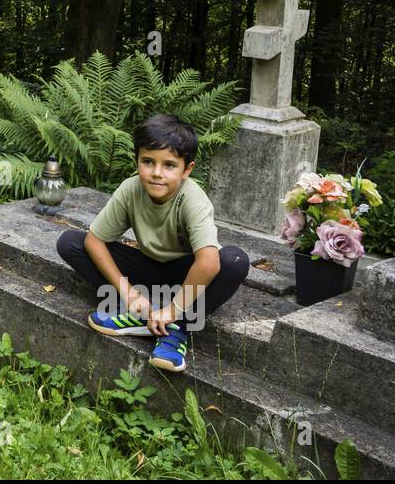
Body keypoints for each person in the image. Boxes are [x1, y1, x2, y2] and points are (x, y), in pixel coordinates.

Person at [54, 114, 249, 373]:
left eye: (169, 165)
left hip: (187, 279)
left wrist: (174, 309)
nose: (157, 173)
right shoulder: (131, 189)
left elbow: (208, 262)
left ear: (186, 170)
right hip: (146, 271)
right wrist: (129, 294)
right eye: (148, 162)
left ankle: (176, 327)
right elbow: (95, 240)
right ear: (137, 161)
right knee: (71, 243)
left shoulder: (192, 199)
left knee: (234, 261)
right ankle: (138, 311)